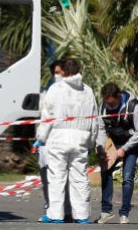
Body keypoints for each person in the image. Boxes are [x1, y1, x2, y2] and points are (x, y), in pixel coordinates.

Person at [36, 59, 99, 224]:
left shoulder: (55, 89)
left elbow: (47, 117)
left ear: (63, 71)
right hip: (81, 140)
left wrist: (41, 139)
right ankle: (82, 215)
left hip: (58, 139)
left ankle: (56, 215)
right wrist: (91, 142)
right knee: (79, 178)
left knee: (57, 177)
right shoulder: (88, 91)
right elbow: (94, 120)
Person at [95, 83, 138, 224]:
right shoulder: (103, 106)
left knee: (127, 177)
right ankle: (106, 211)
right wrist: (101, 148)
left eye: (112, 103)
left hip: (131, 143)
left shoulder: (133, 106)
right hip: (113, 142)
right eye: (107, 102)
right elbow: (100, 129)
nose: (109, 106)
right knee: (105, 172)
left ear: (118, 97)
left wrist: (125, 148)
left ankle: (124, 213)